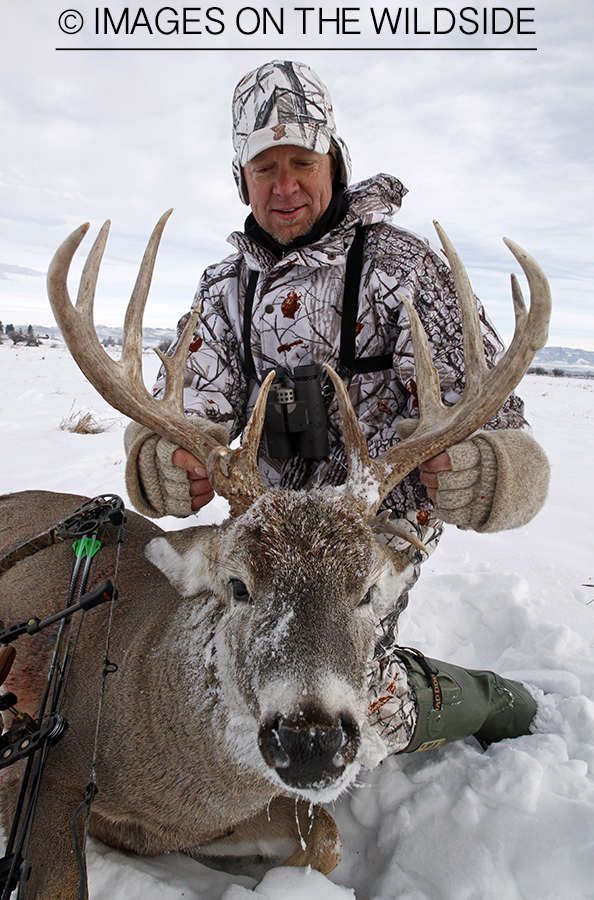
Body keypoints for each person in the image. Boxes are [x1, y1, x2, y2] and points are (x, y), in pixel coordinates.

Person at [124, 60, 548, 760]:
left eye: (301, 160)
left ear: (334, 159)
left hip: (369, 533)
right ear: (242, 179)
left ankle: (487, 700)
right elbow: (181, 407)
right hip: (262, 533)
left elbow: (505, 435)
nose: (284, 185)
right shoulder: (225, 290)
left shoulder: (403, 270)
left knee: (365, 715)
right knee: (211, 679)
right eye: (265, 167)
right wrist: (159, 465)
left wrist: (488, 474)